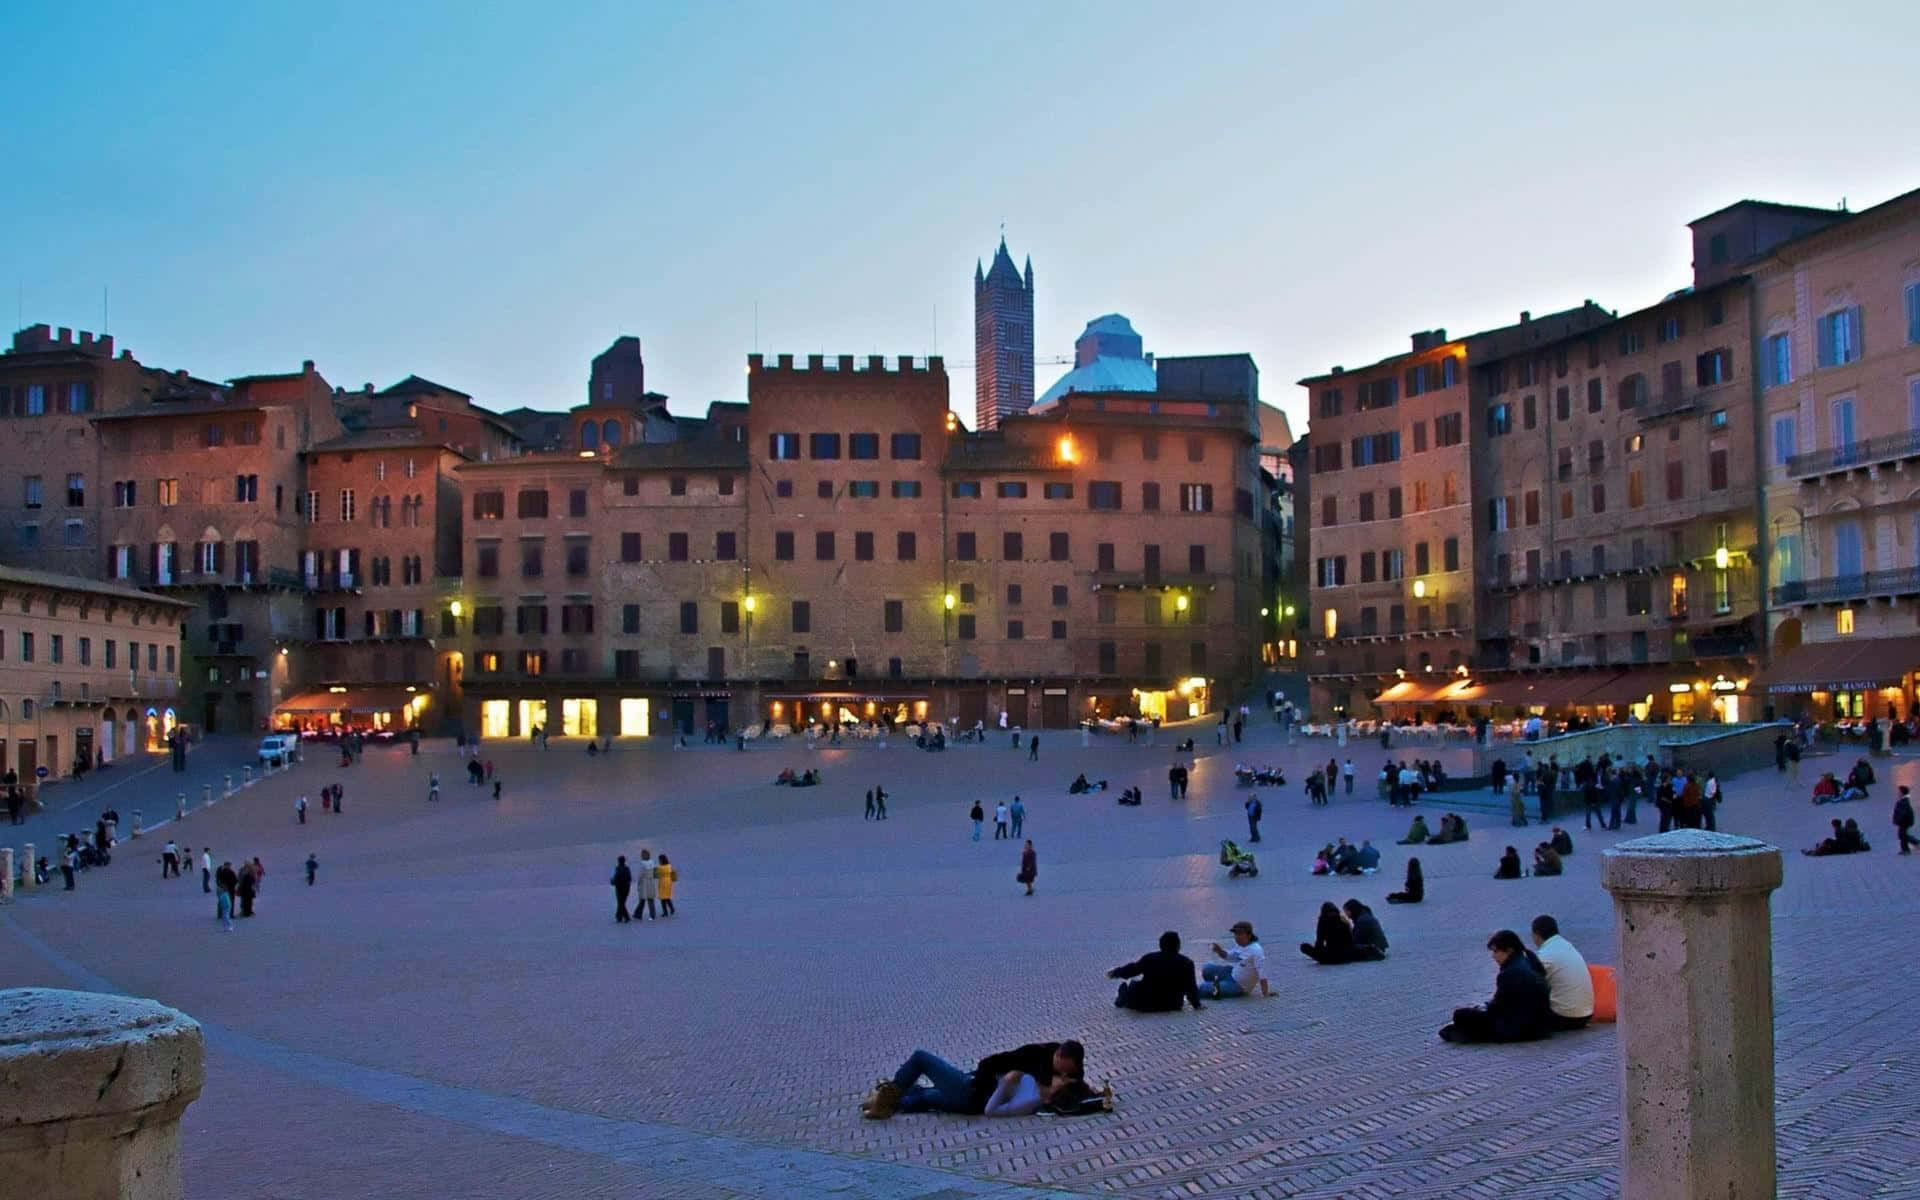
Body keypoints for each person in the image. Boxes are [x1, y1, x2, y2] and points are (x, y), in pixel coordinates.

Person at [863, 1040, 1084, 1119]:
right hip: (972, 1094)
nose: (1063, 1076)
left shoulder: (1039, 1096)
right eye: (1062, 1071)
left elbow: (993, 1109)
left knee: (921, 1058)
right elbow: (990, 1063)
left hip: (971, 1094)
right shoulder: (1035, 1057)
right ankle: (889, 1098)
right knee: (924, 1098)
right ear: (1058, 1055)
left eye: (1066, 1076)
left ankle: (886, 1098)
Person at [1439, 930, 1554, 1043]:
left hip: (1522, 1028)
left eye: (1496, 951)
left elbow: (1497, 1007)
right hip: (1542, 1023)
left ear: (1509, 951)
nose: (1493, 956)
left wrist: (1480, 1009)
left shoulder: (1508, 973)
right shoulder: (1530, 958)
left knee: (1461, 1015)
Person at [1108, 931, 1204, 1012]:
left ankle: (1122, 997)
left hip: (1146, 1002)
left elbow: (1133, 970)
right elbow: (1191, 986)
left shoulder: (1149, 958)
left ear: (1161, 945)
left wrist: (1116, 972)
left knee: (1130, 986)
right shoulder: (1187, 962)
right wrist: (1197, 1005)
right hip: (1173, 1003)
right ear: (1178, 946)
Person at [1529, 915, 1595, 1031]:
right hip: (1586, 1014)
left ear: (1536, 935)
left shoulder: (1545, 955)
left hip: (1565, 1018)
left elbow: (1526, 984)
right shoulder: (1568, 946)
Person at [1203, 921, 1270, 997]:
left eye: (1240, 934)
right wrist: (1219, 950)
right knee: (1207, 968)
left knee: (1202, 988)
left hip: (1238, 986)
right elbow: (1229, 957)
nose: (1237, 937)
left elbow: (1262, 973)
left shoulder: (1256, 950)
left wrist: (1266, 993)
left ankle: (1218, 986)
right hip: (1232, 973)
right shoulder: (1240, 945)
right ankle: (1219, 985)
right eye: (1235, 934)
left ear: (1249, 935)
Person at [636, 847, 658, 919]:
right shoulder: (653, 862)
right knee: (650, 900)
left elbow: (640, 875)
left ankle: (638, 914)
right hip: (651, 883)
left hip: (644, 883)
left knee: (642, 899)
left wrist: (638, 884)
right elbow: (655, 873)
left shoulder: (642, 864)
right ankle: (652, 915)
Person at [611, 856, 633, 923]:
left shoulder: (618, 869)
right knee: (622, 903)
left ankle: (624, 917)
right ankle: (619, 916)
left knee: (621, 903)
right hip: (626, 888)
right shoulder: (627, 868)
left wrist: (612, 881)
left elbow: (615, 879)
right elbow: (630, 878)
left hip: (619, 888)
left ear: (618, 861)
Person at [215, 861, 236, 930]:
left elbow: (218, 879)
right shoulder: (229, 872)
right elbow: (235, 880)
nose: (230, 867)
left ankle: (220, 914)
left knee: (221, 902)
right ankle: (230, 917)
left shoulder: (220, 871)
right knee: (228, 903)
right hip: (227, 889)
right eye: (229, 865)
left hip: (222, 888)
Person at [1896, 785, 1916, 855]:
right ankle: (1906, 849)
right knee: (1902, 835)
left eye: (1899, 792)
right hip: (1904, 821)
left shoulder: (1903, 802)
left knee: (1902, 835)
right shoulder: (1902, 801)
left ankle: (1912, 845)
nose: (1898, 793)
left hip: (1904, 821)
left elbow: (1903, 813)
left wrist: (1898, 819)